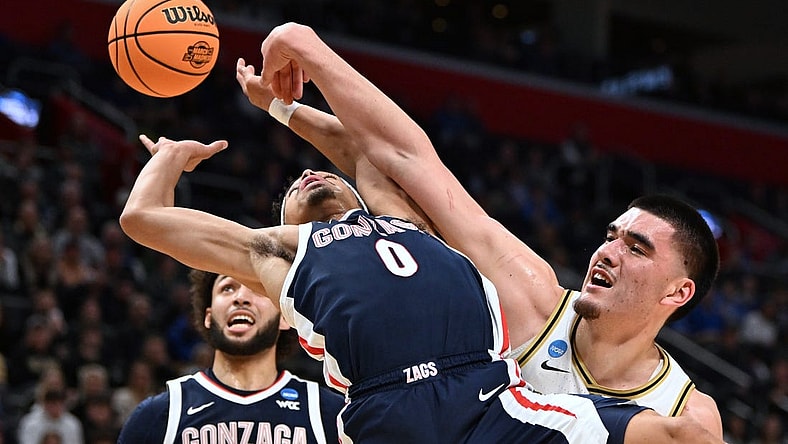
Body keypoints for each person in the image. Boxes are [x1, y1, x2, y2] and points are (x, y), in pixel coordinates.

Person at [236, 22, 724, 438]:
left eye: (636, 248)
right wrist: (302, 55)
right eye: (612, 235)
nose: (608, 251)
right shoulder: (530, 297)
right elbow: (406, 164)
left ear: (678, 292)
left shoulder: (685, 414)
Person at [119, 138, 722, 440]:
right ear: (285, 218)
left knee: (680, 435)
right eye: (294, 188)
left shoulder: (407, 223)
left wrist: (288, 110)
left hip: (486, 389)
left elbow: (376, 147)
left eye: (322, 174)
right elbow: (142, 219)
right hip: (390, 411)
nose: (307, 175)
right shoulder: (280, 252)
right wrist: (170, 157)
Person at [117, 268, 344, 443]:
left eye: (258, 289)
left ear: (285, 317)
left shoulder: (328, 413)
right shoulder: (158, 415)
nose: (241, 298)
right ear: (208, 316)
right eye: (227, 288)